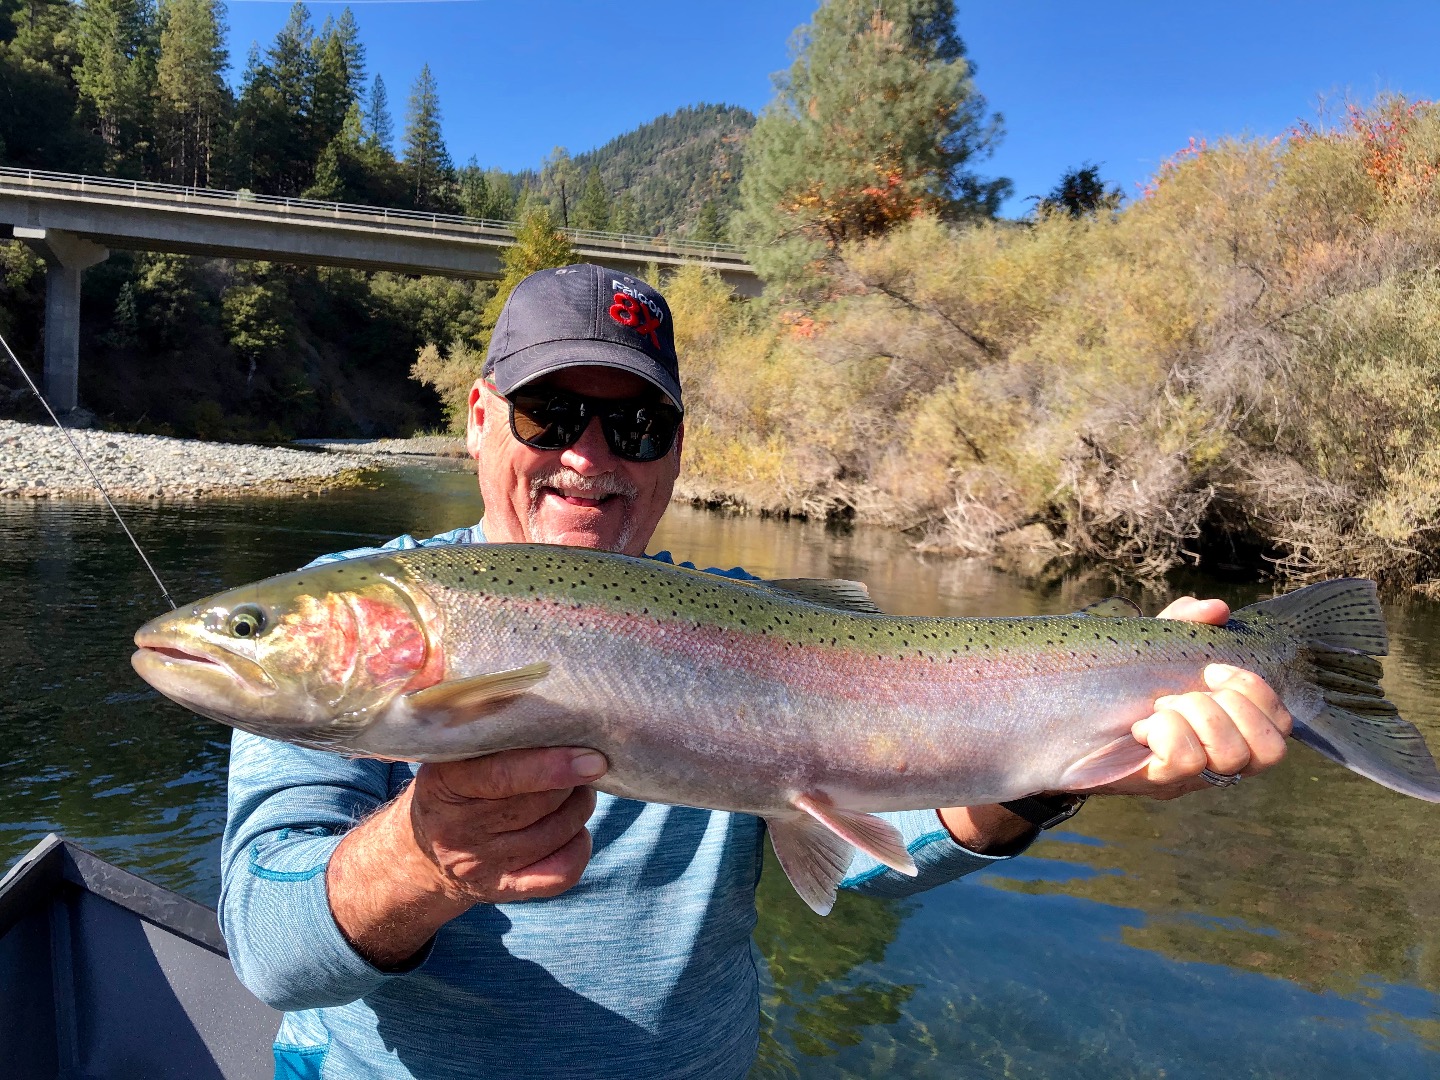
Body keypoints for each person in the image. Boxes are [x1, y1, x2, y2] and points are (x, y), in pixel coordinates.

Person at [220, 264, 1293, 1079]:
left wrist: (1054, 776)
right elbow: (268, 950)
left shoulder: (748, 621)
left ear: (676, 450)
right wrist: (420, 858)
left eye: (634, 423)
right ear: (477, 419)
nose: (591, 456)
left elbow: (863, 850)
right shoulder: (350, 603)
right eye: (551, 414)